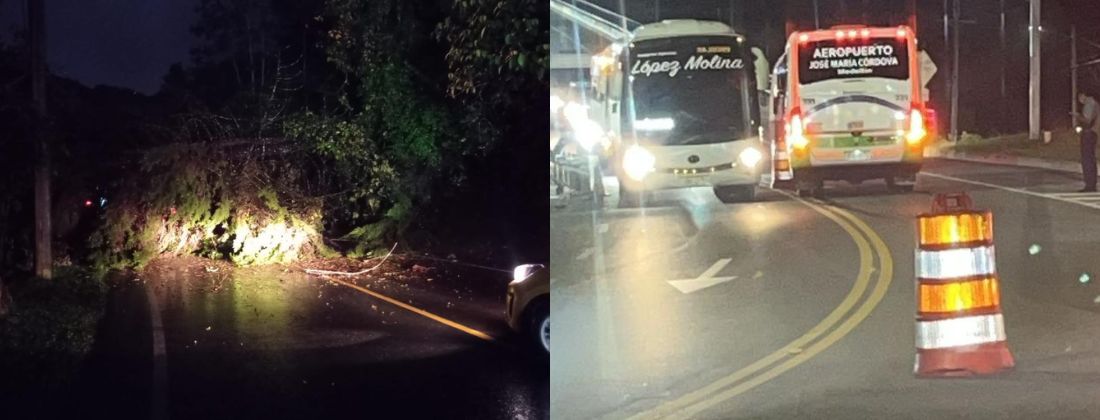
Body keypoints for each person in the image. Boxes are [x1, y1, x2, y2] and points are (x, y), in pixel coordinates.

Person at [1077, 91, 1100, 192]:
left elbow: (1087, 120)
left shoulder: (1089, 103)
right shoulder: (1094, 103)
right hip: (1093, 133)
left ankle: (1090, 184)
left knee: (1087, 159)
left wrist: (1078, 116)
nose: (1080, 101)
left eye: (1079, 98)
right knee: (1090, 158)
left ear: (1082, 95)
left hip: (1089, 133)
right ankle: (1091, 183)